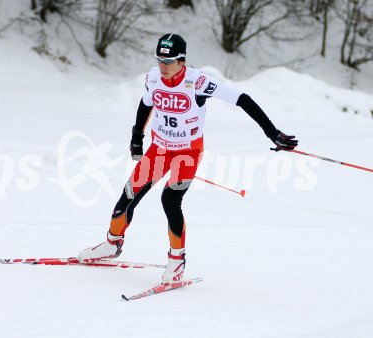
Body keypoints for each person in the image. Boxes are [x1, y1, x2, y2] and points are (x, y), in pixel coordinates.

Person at [78, 33, 298, 284]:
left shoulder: (199, 83)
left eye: (169, 61)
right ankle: (111, 244)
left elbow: (242, 100)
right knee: (128, 195)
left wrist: (272, 133)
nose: (163, 66)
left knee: (170, 199)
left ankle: (177, 261)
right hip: (158, 150)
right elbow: (146, 104)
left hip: (188, 153)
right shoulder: (153, 78)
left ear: (182, 61)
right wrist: (136, 137)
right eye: (160, 60)